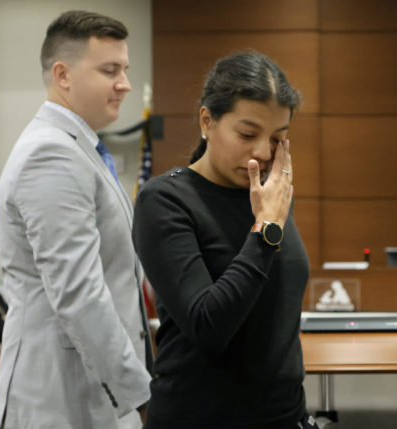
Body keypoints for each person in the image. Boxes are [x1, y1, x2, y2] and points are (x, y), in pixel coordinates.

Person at [133, 52, 319, 428]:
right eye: (248, 135)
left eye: (278, 138)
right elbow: (209, 326)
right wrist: (266, 228)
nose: (264, 154)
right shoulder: (165, 200)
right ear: (207, 121)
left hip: (283, 416)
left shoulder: (272, 194)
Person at [0, 10, 151, 429]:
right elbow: (79, 294)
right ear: (63, 75)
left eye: (125, 69)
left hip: (91, 395)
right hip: (58, 401)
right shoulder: (52, 155)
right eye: (109, 70)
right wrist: (141, 396)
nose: (125, 84)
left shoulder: (78, 149)